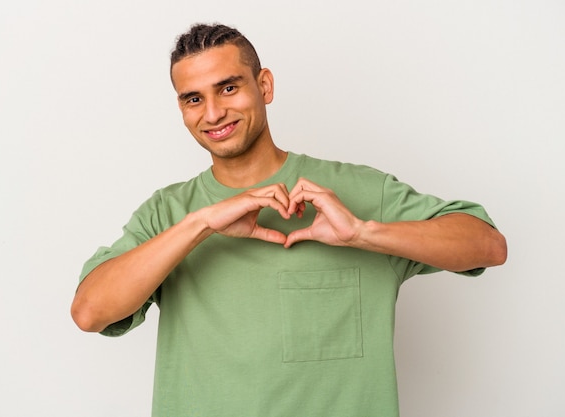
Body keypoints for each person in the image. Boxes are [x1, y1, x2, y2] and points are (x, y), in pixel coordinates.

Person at [71, 23, 507, 417]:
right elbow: (90, 312)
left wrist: (363, 233)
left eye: (227, 88)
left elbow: (487, 245)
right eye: (193, 99)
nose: (212, 114)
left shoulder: (355, 192)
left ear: (265, 85)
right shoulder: (168, 213)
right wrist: (200, 224)